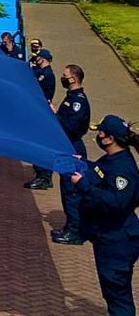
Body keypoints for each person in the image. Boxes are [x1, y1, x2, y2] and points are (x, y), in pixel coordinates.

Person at [70, 114, 139, 316]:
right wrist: (83, 164)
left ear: (109, 138)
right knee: (111, 293)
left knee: (119, 296)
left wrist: (84, 187)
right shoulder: (112, 160)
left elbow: (116, 202)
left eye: (100, 133)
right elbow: (100, 173)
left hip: (119, 241)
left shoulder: (124, 170)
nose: (97, 135)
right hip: (108, 238)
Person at [49, 63, 91, 243]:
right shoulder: (70, 97)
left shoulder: (78, 101)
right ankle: (69, 227)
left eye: (65, 75)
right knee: (66, 190)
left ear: (73, 78)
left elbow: (72, 127)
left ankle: (75, 232)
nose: (63, 77)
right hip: (65, 147)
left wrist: (56, 116)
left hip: (73, 148)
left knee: (72, 192)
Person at [24, 49, 57, 189]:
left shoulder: (47, 75)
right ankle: (42, 175)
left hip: (41, 112)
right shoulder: (41, 72)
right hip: (38, 111)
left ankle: (44, 176)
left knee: (39, 144)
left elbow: (39, 90)